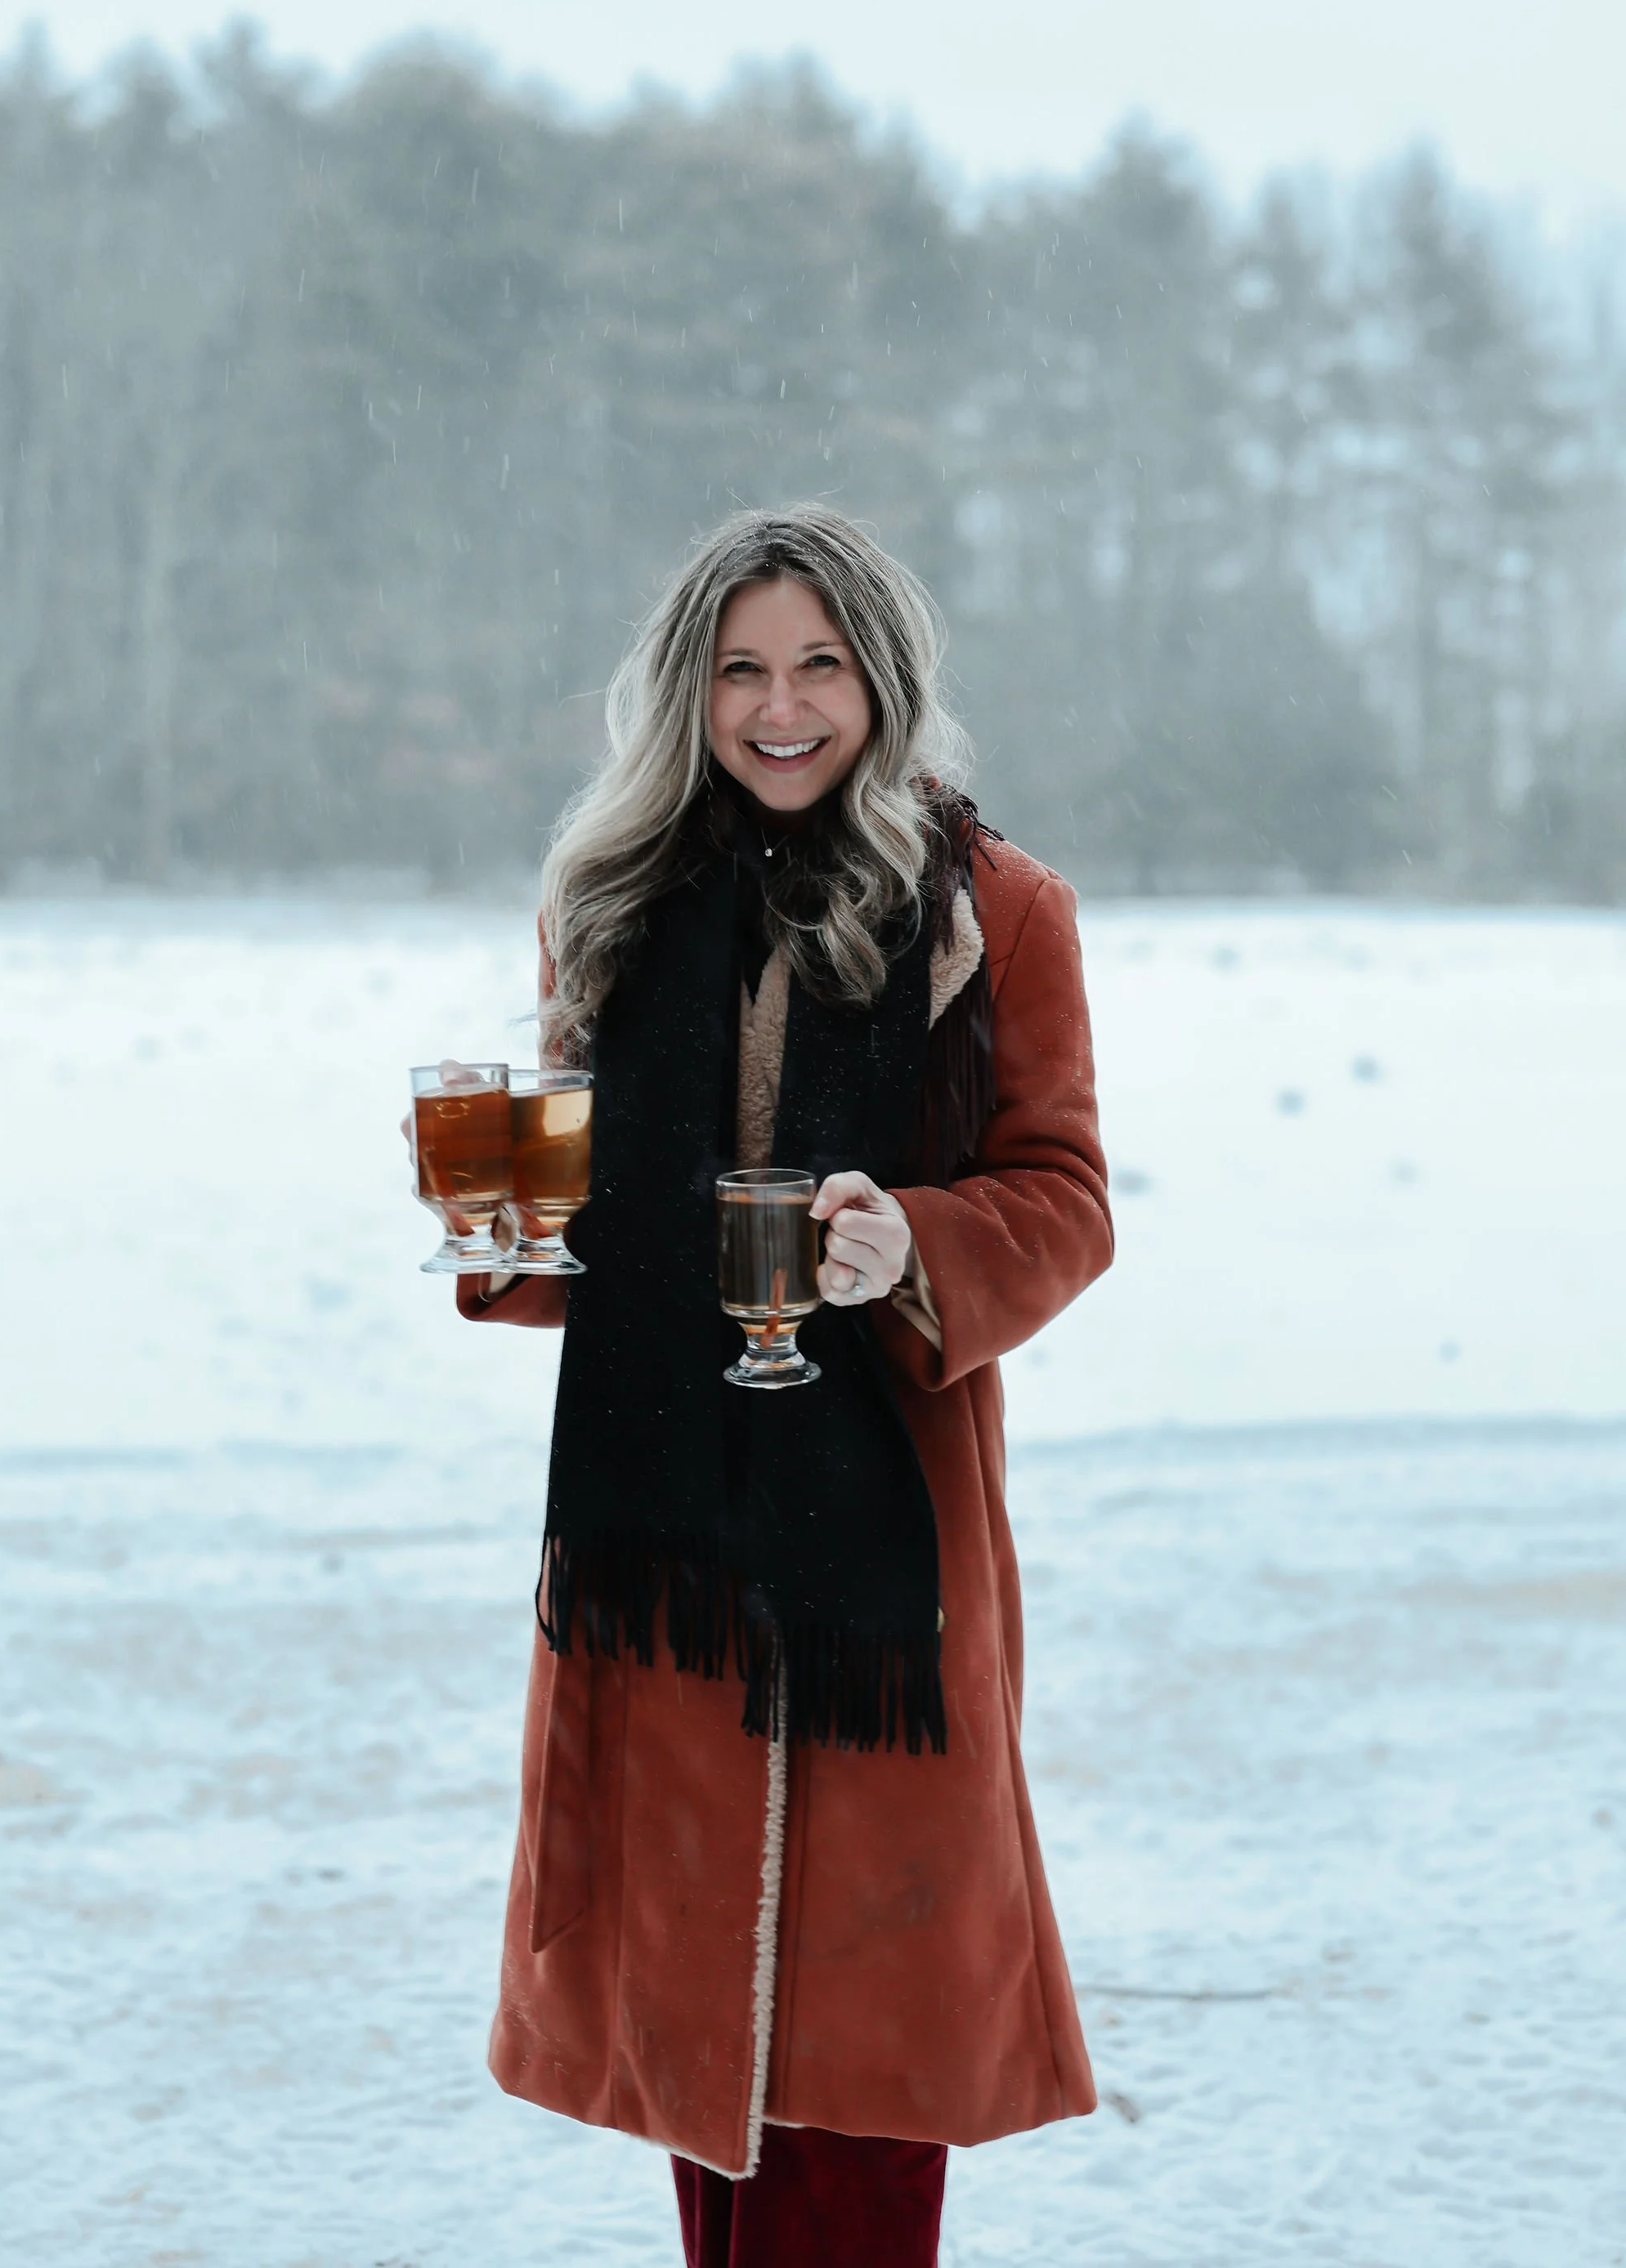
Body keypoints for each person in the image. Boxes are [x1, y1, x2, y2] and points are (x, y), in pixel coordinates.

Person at [453, 507, 1113, 2267]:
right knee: (711, 2095)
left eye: (818, 664)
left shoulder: (997, 912)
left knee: (867, 2080)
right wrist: (502, 1228)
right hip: (661, 1563)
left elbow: (1066, 1199)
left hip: (879, 1563)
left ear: (880, 680)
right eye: (740, 668)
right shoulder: (613, 905)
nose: (779, 707)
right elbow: (591, 1233)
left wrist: (913, 1243)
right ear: (688, 690)